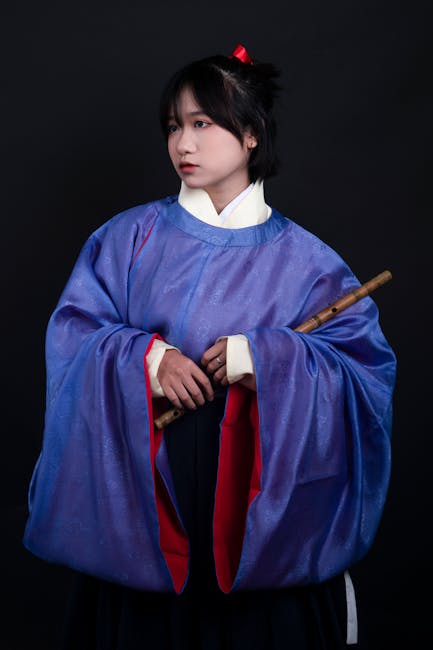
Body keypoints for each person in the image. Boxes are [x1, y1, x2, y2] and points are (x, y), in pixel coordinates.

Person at [23, 44, 396, 649]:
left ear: (251, 134)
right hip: (146, 500)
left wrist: (267, 360)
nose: (183, 144)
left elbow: (364, 378)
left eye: (202, 123)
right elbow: (74, 337)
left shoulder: (311, 263)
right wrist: (149, 361)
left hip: (259, 511)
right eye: (174, 126)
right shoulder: (126, 239)